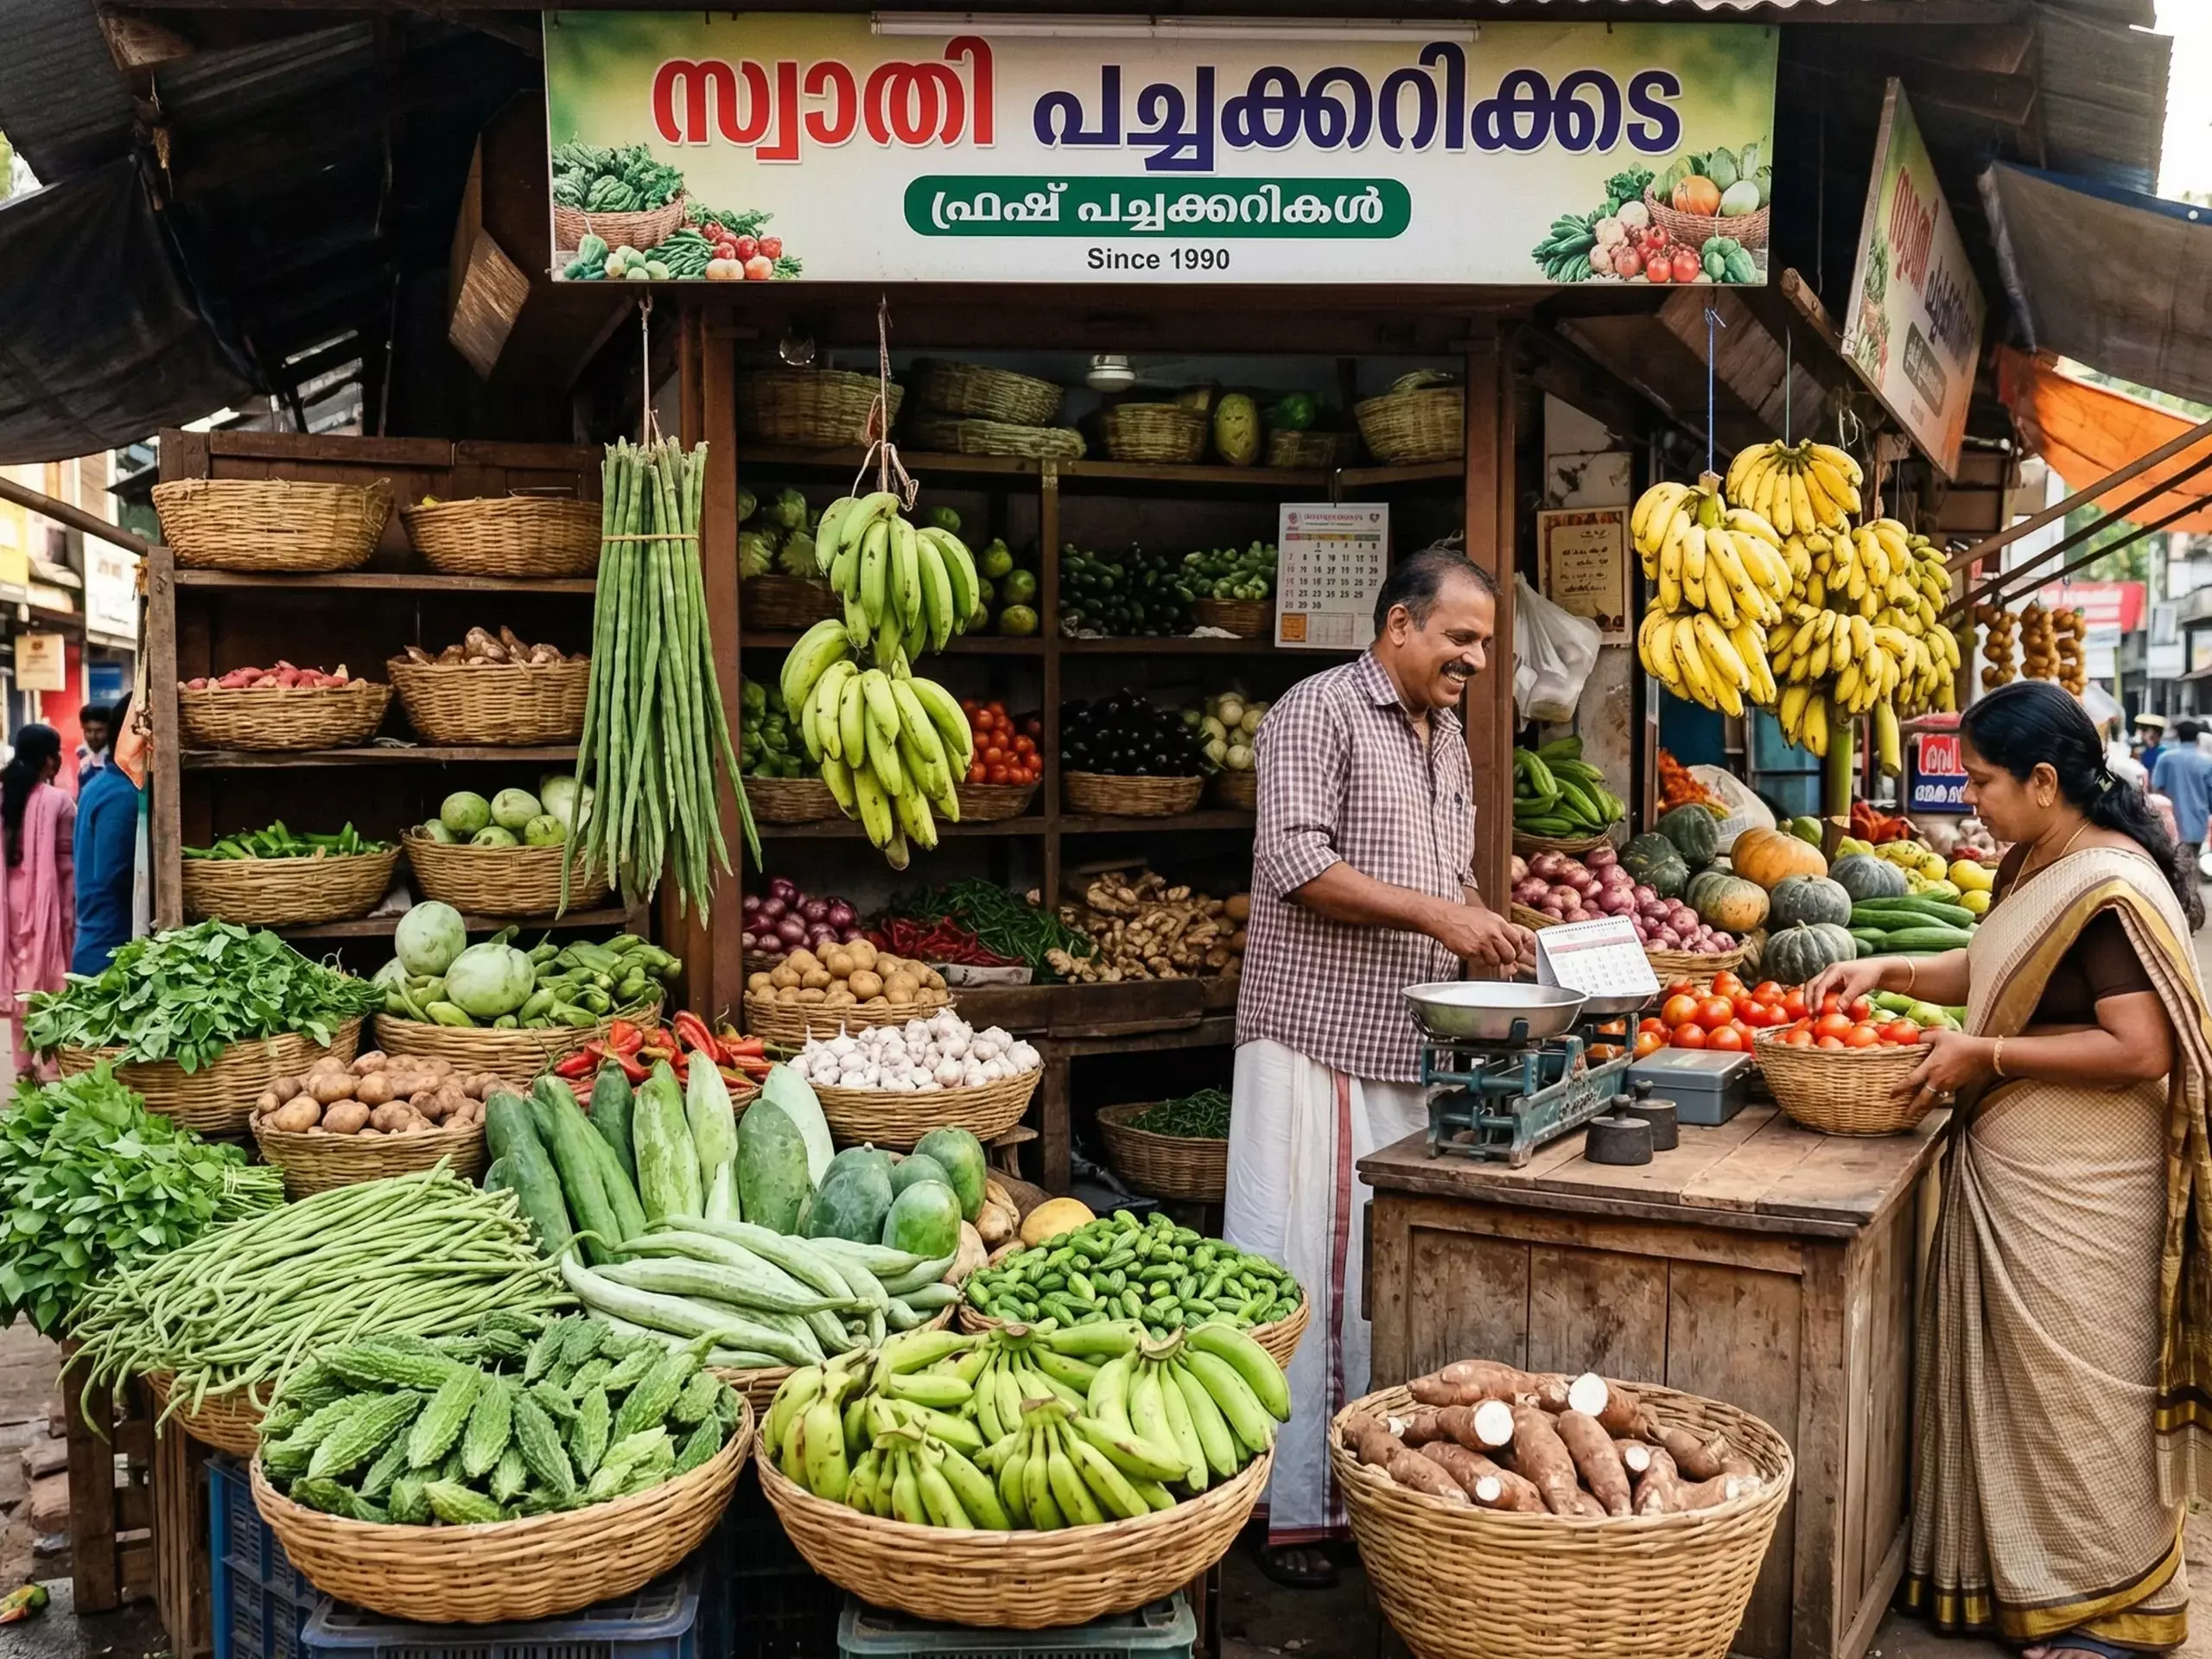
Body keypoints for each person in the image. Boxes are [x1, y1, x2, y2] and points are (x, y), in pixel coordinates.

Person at [1806, 681, 2212, 1659]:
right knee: (2027, 1395)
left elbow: (2139, 1049)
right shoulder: (2039, 858)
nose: (1971, 801)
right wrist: (1889, 971)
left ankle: (2108, 1612)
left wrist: (1980, 1058)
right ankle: (2028, 1579)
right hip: (2026, 1172)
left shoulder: (2109, 888)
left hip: (2085, 1187)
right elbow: (1993, 975)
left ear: (2042, 780)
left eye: (1982, 782)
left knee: (2082, 1398)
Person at [1227, 542, 1535, 1587]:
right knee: (1302, 1271)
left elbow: (1442, 875)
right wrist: (1444, 913)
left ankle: (1372, 1494)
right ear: (1398, 625)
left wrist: (1487, 928)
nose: (1476, 661)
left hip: (1400, 1036)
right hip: (1315, 1033)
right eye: (1461, 638)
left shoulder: (1444, 735)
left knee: (1375, 1276)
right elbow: (1296, 863)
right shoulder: (1316, 712)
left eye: (1485, 644)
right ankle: (1294, 1510)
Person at [0, 726, 73, 1075]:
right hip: (48, 903)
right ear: (50, 759)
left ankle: (24, 1068)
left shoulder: (3, 794)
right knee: (49, 985)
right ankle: (53, 1070)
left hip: (8, 904)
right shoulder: (57, 801)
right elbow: (70, 859)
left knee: (20, 988)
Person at [72, 698, 138, 977]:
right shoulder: (122, 794)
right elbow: (115, 874)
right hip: (110, 953)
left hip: (94, 942)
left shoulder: (100, 785)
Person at [2152, 719, 2212, 868]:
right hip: (2198, 821)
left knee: (2174, 864)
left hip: (2171, 821)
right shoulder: (2207, 762)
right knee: (2191, 862)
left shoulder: (2166, 759)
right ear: (2197, 738)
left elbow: (2156, 788)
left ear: (2178, 736)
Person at [73, 703, 110, 779]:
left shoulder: (115, 761)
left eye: (99, 731)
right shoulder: (83, 754)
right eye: (88, 731)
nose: (93, 736)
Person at [2135, 712, 2169, 776]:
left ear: (2156, 733)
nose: (2141, 733)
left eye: (2145, 729)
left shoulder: (2163, 753)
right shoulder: (2143, 750)